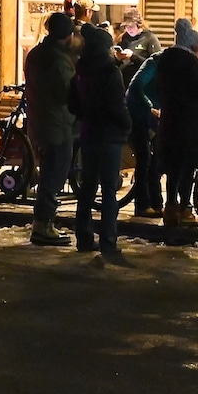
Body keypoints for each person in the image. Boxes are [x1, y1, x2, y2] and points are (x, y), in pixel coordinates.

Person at [68, 24, 130, 258]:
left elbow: (72, 104)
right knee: (109, 191)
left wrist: (86, 116)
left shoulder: (80, 71)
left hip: (89, 133)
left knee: (87, 190)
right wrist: (126, 124)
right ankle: (108, 241)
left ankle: (84, 237)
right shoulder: (110, 72)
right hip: (110, 135)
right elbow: (117, 105)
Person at [22, 11, 78, 247]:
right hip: (57, 123)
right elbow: (66, 92)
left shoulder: (36, 54)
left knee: (49, 171)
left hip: (40, 121)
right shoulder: (57, 59)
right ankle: (43, 224)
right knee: (54, 174)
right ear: (66, 35)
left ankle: (44, 223)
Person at [154, 19, 198, 228]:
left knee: (172, 167)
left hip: (169, 119)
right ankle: (185, 209)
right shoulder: (189, 62)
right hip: (188, 121)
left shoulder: (164, 58)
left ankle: (170, 207)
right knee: (188, 166)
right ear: (192, 46)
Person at [124, 40, 163, 221]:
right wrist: (149, 107)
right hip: (137, 114)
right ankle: (142, 205)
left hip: (151, 116)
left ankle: (156, 203)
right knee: (144, 157)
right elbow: (136, 87)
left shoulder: (169, 68)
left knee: (155, 160)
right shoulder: (154, 63)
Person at [115, 7, 159, 85]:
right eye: (126, 26)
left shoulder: (149, 38)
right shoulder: (123, 38)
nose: (128, 29)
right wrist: (118, 58)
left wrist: (133, 57)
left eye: (131, 26)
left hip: (142, 83)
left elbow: (156, 65)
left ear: (138, 25)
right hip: (124, 82)